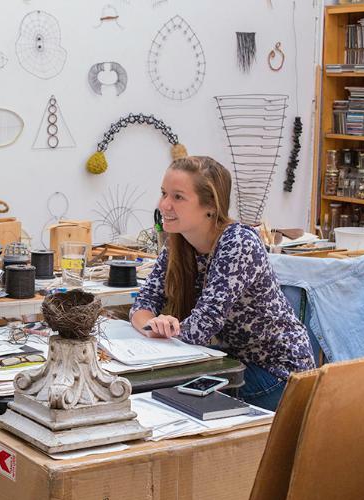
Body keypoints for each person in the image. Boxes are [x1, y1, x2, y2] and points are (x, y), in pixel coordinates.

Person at [129, 156, 315, 411]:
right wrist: (153, 324)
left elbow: (201, 328)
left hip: (278, 374)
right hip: (232, 363)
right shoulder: (179, 243)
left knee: (159, 396)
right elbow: (143, 304)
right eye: (163, 194)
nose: (164, 205)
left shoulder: (238, 243)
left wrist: (165, 327)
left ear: (211, 206)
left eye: (178, 197)